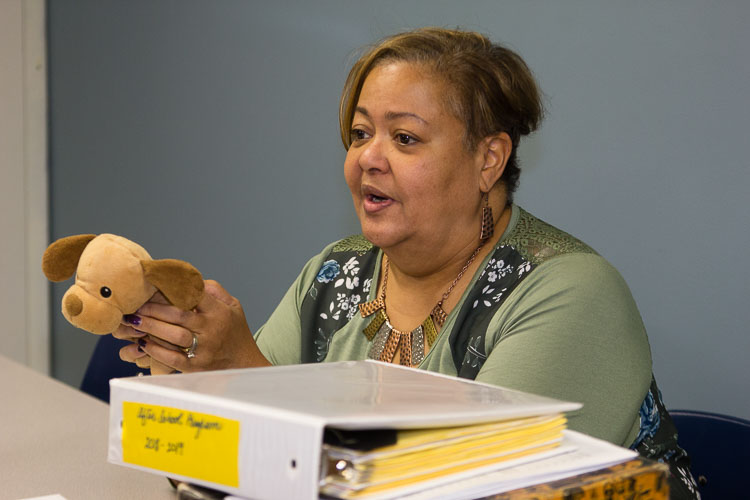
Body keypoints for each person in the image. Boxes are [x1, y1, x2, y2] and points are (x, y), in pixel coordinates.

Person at [115, 28, 698, 499]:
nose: (368, 157)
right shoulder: (333, 274)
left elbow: (472, 489)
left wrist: (241, 368)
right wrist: (187, 371)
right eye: (361, 132)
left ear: (489, 159)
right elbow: (239, 471)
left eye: (406, 139)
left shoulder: (569, 293)